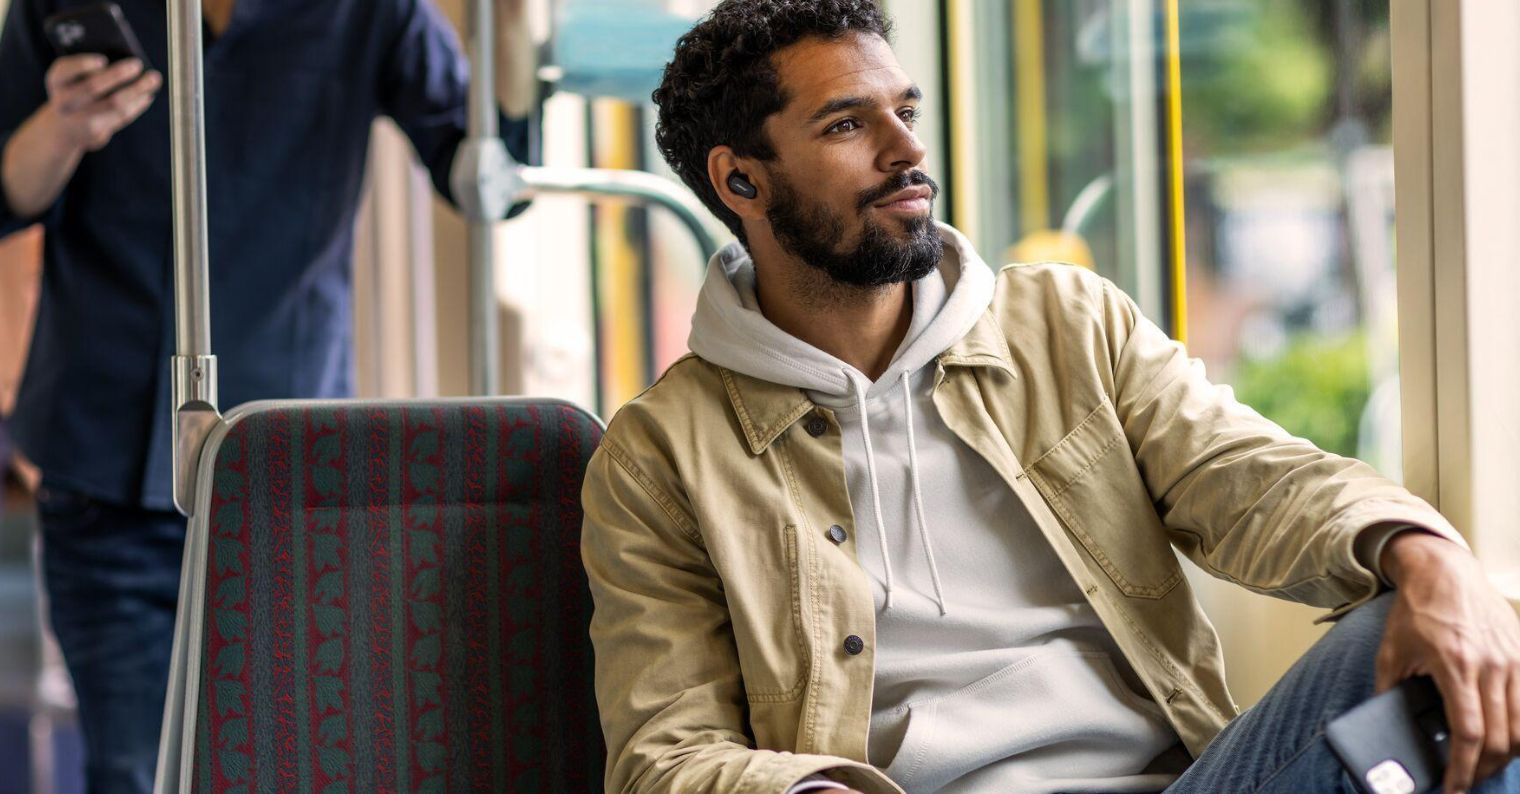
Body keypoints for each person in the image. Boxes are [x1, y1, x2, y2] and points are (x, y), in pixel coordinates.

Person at [579, 2, 1520, 792]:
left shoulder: (1066, 323)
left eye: (904, 110)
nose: (908, 150)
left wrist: (1428, 557)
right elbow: (666, 749)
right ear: (740, 178)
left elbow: (1253, 479)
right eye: (846, 124)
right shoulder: (660, 456)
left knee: (1464, 638)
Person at [0, 0, 536, 789]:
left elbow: (487, 182)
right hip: (101, 450)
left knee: (288, 763)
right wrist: (63, 129)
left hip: (281, 465)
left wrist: (515, 42)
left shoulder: (372, 11)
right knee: (132, 770)